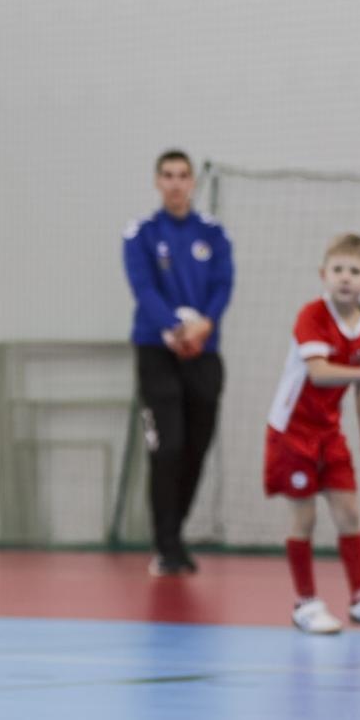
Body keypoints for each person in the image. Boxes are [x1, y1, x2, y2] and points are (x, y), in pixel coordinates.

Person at [265, 234, 360, 634]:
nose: (345, 278)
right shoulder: (312, 314)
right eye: (338, 270)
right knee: (304, 517)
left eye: (355, 271)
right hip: (291, 431)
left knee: (349, 513)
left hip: (329, 432)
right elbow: (319, 372)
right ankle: (305, 602)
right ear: (323, 274)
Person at [122, 150, 234, 576]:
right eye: (167, 175)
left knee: (194, 448)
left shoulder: (214, 233)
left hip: (204, 353)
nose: (175, 183)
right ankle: (165, 545)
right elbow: (143, 287)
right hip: (157, 352)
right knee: (166, 447)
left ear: (192, 182)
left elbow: (224, 284)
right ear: (157, 181)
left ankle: (177, 535)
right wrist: (174, 327)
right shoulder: (141, 233)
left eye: (183, 176)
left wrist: (203, 326)